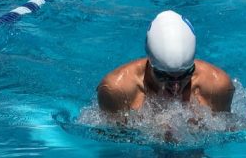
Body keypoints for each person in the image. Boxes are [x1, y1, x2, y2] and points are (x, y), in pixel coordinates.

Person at [97, 11, 234, 121]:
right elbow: (114, 149)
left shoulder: (217, 86)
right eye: (163, 76)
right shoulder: (117, 90)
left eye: (186, 74)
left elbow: (227, 141)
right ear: (150, 64)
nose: (176, 87)